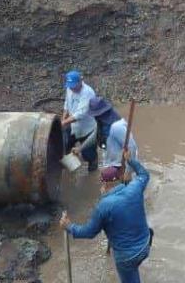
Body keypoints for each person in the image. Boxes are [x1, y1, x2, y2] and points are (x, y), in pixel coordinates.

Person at [60, 153, 153, 283]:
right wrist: (130, 160)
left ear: (103, 184)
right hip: (146, 245)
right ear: (120, 178)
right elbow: (144, 174)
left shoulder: (103, 206)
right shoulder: (135, 187)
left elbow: (88, 233)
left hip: (127, 258)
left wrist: (69, 226)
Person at [73, 97, 139, 168]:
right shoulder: (102, 122)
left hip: (121, 163)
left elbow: (132, 147)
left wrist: (129, 170)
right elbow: (95, 136)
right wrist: (80, 148)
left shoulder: (117, 126)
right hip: (111, 156)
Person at [61, 70, 98, 172]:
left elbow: (80, 114)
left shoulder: (88, 92)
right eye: (70, 86)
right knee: (65, 147)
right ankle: (70, 167)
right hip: (72, 126)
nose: (71, 88)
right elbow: (66, 104)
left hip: (87, 129)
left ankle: (93, 167)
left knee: (88, 155)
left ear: (80, 82)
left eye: (74, 86)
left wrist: (63, 123)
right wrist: (63, 118)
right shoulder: (69, 88)